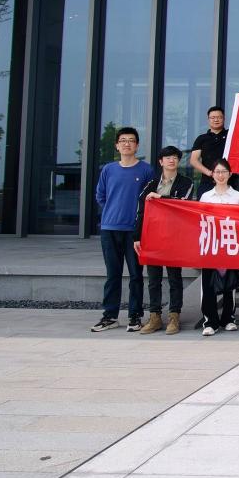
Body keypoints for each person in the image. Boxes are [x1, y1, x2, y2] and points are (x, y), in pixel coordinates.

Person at [91, 127, 156, 333]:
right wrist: (113, 211)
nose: (127, 144)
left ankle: (135, 316)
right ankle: (110, 316)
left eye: (131, 140)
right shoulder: (108, 169)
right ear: (117, 145)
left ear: (137, 145)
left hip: (134, 231)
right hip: (109, 228)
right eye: (123, 140)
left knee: (136, 275)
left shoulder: (146, 170)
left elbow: (150, 201)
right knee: (113, 274)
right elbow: (101, 196)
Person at [134, 145, 193, 336]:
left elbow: (182, 203)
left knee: (175, 278)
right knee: (154, 279)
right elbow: (141, 211)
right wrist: (137, 236)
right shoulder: (151, 184)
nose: (171, 160)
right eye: (167, 157)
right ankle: (155, 317)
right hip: (152, 237)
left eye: (175, 157)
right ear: (161, 162)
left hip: (174, 237)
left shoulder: (186, 182)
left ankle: (174, 316)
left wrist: (160, 197)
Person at [198, 159, 239, 336]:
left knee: (229, 283)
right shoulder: (205, 196)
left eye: (224, 172)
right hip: (210, 244)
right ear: (212, 174)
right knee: (207, 284)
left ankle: (228, 319)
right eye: (217, 172)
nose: (220, 175)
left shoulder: (237, 196)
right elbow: (199, 220)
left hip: (230, 244)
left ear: (230, 174)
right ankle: (210, 321)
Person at [189, 106, 229, 199]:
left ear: (224, 119)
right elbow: (193, 160)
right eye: (213, 117)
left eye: (219, 117)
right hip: (207, 181)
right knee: (203, 206)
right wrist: (210, 173)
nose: (216, 120)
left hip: (229, 181)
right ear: (208, 119)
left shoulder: (231, 135)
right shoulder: (201, 138)